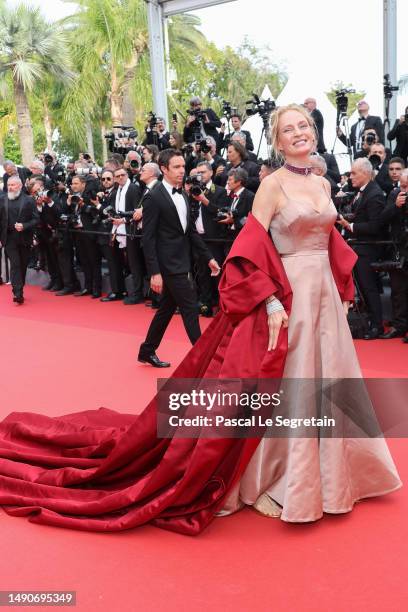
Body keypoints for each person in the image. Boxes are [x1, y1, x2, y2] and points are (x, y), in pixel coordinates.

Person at [0, 106, 401, 535]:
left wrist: (342, 286)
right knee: (290, 383)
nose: (299, 133)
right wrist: (267, 300)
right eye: (289, 129)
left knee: (330, 378)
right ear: (279, 142)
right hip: (290, 295)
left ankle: (336, 473)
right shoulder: (271, 185)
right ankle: (277, 479)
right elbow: (249, 245)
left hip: (323, 295)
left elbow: (329, 236)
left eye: (304, 125)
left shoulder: (322, 182)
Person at [138, 149, 221, 367]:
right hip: (168, 265)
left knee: (166, 309)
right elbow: (148, 238)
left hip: (183, 260)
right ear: (163, 169)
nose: (181, 171)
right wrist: (154, 272)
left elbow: (190, 231)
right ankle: (206, 357)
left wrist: (208, 257)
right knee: (190, 307)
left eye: (183, 166)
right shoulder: (153, 197)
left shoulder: (183, 193)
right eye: (176, 167)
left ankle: (147, 350)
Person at [0, 176, 39, 303]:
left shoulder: (28, 200)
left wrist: (24, 226)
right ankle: (17, 293)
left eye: (13, 185)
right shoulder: (2, 199)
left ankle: (19, 288)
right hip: (9, 238)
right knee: (15, 264)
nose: (10, 187)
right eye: (8, 185)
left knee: (22, 265)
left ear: (20, 186)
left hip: (24, 238)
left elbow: (36, 219)